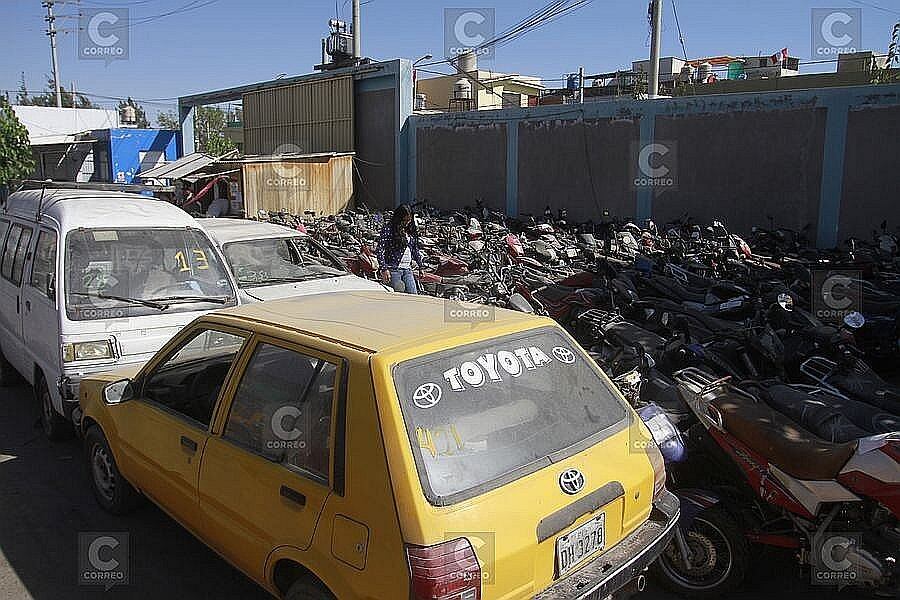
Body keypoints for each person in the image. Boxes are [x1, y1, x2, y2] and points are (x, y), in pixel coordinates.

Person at [377, 204, 422, 294]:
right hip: (393, 269)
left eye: (409, 220)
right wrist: (384, 269)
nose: (407, 223)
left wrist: (421, 266)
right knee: (398, 292)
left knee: (413, 294)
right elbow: (380, 250)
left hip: (407, 269)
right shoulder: (389, 229)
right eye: (404, 220)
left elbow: (415, 249)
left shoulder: (410, 230)